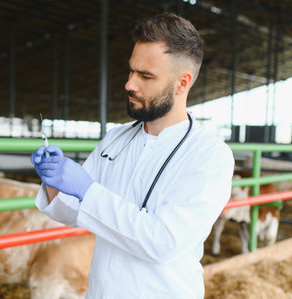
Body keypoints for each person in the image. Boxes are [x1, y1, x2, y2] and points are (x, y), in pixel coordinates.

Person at [31, 13, 234, 299]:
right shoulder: (117, 139)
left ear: (182, 83)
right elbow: (74, 211)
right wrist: (54, 180)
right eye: (131, 71)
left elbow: (162, 242)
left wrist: (86, 189)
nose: (129, 84)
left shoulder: (210, 156)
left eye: (145, 76)